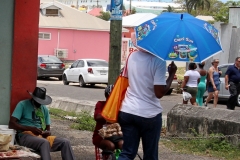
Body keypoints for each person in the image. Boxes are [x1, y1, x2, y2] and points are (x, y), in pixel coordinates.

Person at [117, 32, 177, 160]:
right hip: (149, 114)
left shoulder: (131, 56)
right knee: (150, 155)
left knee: (127, 153)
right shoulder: (158, 61)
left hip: (127, 110)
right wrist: (172, 74)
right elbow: (159, 92)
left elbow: (126, 78)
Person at [9, 87, 76, 160]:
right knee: (44, 142)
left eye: (41, 101)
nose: (39, 103)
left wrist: (47, 132)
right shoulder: (23, 105)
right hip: (25, 136)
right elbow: (11, 124)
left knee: (65, 142)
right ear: (33, 98)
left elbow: (48, 129)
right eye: (37, 101)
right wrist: (30, 129)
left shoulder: (44, 109)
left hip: (41, 136)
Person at [92, 85, 123, 153]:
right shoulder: (100, 104)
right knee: (110, 146)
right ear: (106, 95)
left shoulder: (120, 106)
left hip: (116, 135)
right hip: (101, 136)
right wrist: (111, 114)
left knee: (122, 144)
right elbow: (97, 117)